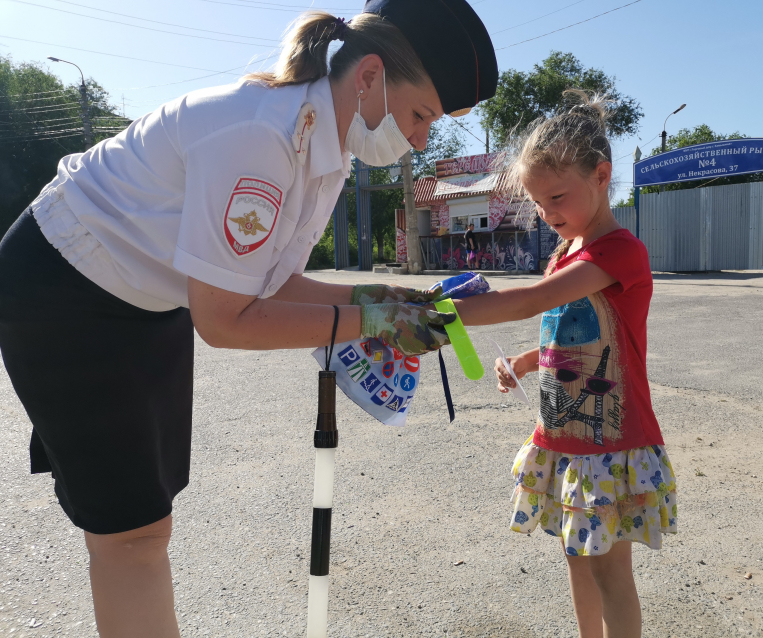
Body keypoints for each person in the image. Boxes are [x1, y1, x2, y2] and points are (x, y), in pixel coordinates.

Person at [0, 1, 497, 635]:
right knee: (129, 535)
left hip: (148, 292)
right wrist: (376, 319)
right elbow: (228, 321)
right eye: (422, 114)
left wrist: (395, 301)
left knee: (147, 524)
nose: (423, 138)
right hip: (65, 288)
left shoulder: (326, 144)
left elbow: (273, 284)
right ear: (369, 75)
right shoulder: (265, 134)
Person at [448, 91, 677, 638]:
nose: (548, 215)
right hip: (562, 430)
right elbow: (563, 335)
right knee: (577, 554)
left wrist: (439, 313)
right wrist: (527, 362)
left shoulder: (618, 252)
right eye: (538, 204)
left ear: (602, 175)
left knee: (610, 569)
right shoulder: (566, 250)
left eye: (557, 198)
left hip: (611, 438)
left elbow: (529, 301)